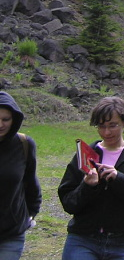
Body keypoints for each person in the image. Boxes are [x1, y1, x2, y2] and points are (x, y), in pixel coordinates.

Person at [58, 96, 124, 260]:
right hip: (82, 240)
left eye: (113, 125)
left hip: (121, 243)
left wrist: (119, 179)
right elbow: (68, 203)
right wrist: (87, 186)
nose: (106, 132)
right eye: (101, 126)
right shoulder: (85, 154)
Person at [0, 91, 41, 260]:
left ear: (14, 119)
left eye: (5, 119)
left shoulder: (24, 144)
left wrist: (30, 214)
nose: (0, 124)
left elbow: (31, 183)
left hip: (12, 232)